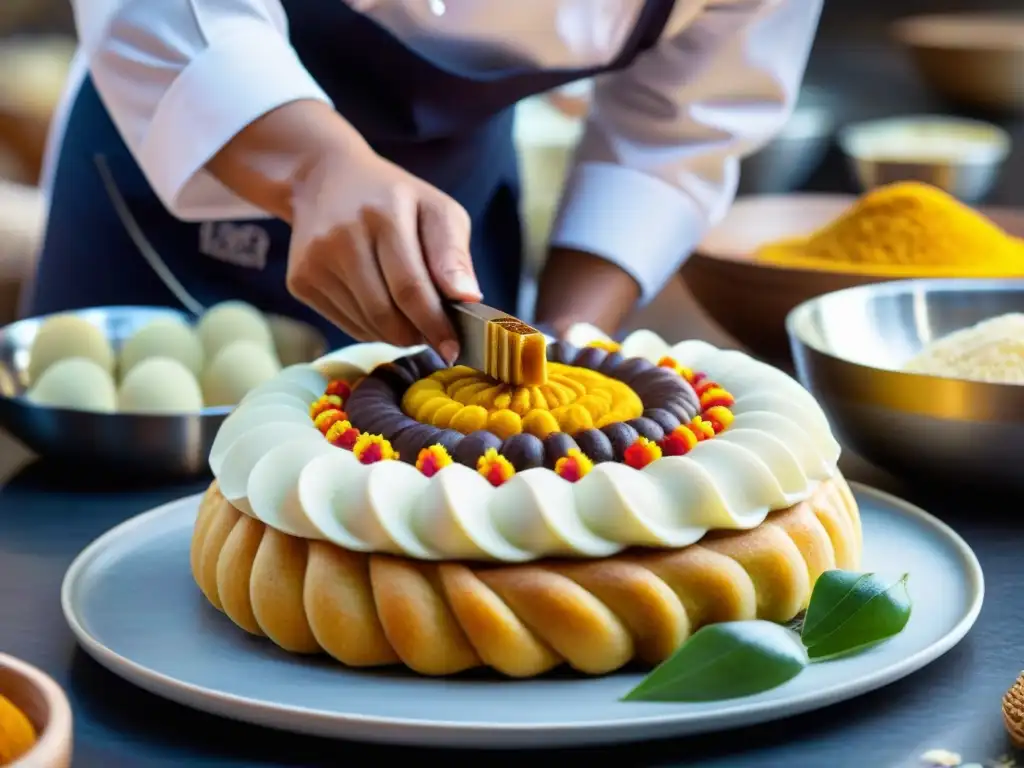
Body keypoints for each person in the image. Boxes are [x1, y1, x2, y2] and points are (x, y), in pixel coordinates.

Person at [30, 0, 822, 360]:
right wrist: (314, 169)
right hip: (165, 155)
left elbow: (674, 128)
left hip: (458, 208)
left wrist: (571, 341)